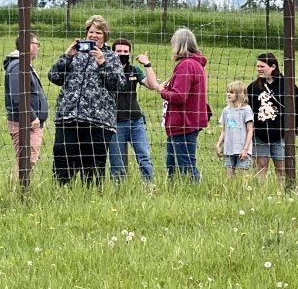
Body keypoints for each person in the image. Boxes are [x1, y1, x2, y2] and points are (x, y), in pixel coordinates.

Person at [47, 15, 122, 184]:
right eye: (91, 31)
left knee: (93, 163)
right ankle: (62, 192)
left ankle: (91, 197)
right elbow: (54, 76)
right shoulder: (75, 55)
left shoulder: (111, 58)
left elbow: (118, 84)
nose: (94, 35)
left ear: (105, 36)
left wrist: (102, 63)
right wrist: (67, 56)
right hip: (68, 117)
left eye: (99, 32)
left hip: (98, 120)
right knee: (62, 155)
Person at [147, 26, 209, 182]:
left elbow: (180, 96)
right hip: (186, 121)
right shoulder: (196, 65)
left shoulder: (186, 65)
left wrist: (162, 91)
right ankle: (176, 191)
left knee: (185, 165)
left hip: (183, 122)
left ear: (178, 45)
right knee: (173, 164)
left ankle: (192, 191)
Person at [245, 52, 298, 184]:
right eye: (257, 66)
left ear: (273, 66)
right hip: (260, 134)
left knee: (282, 169)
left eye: (262, 66)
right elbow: (246, 109)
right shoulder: (253, 88)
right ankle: (260, 194)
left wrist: (292, 129)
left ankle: (282, 192)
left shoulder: (287, 86)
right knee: (260, 168)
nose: (259, 69)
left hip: (281, 134)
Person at [108, 37, 159, 184]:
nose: (122, 54)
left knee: (144, 156)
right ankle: (119, 189)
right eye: (118, 51)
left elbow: (152, 85)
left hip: (136, 121)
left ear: (130, 53)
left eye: (125, 51)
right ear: (112, 53)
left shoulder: (134, 70)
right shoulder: (107, 70)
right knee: (117, 161)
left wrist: (147, 65)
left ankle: (148, 186)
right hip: (115, 122)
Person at [3, 33, 49, 176]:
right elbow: (18, 96)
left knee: (28, 161)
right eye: (37, 44)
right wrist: (32, 117)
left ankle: (21, 191)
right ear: (28, 45)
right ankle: (18, 192)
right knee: (25, 161)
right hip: (26, 123)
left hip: (29, 122)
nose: (38, 48)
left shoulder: (22, 64)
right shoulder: (18, 65)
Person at [216, 81, 254, 178]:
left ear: (239, 94)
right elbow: (225, 129)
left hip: (242, 149)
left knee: (242, 178)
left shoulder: (246, 110)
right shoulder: (226, 110)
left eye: (232, 92)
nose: (228, 94)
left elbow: (250, 130)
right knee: (229, 177)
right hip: (229, 149)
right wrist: (219, 144)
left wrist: (245, 149)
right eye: (228, 92)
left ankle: (243, 193)